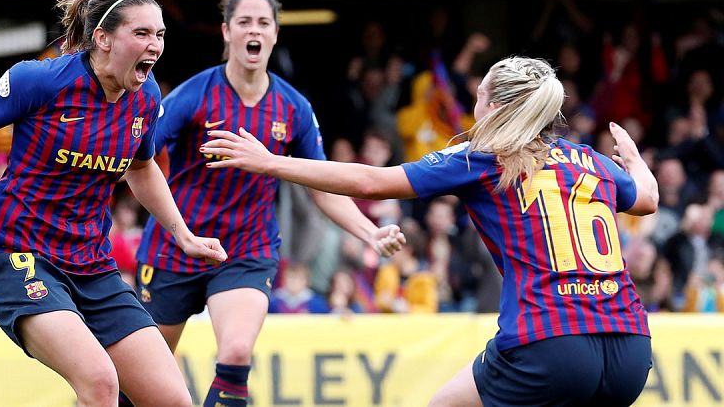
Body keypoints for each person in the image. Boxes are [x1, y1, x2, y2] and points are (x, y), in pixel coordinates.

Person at [202, 56, 659, 406]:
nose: (472, 105)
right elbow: (647, 198)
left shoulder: (483, 159)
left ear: (496, 107)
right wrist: (636, 161)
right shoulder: (592, 160)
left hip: (549, 343)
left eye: (478, 95)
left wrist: (271, 162)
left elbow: (370, 182)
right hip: (631, 350)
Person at [0, 0, 226, 406]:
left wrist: (182, 234)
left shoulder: (146, 96)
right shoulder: (40, 81)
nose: (155, 45)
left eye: (160, 34)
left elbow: (142, 165)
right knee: (99, 382)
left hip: (91, 264)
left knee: (174, 400)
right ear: (102, 39)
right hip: (19, 255)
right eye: (142, 33)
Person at [134, 0, 405, 407]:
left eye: (263, 22)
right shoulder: (194, 95)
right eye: (243, 22)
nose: (253, 30)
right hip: (175, 247)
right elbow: (137, 158)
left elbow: (321, 184)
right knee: (145, 379)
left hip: (245, 249)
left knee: (238, 352)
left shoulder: (293, 107)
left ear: (275, 33)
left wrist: (368, 232)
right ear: (227, 32)